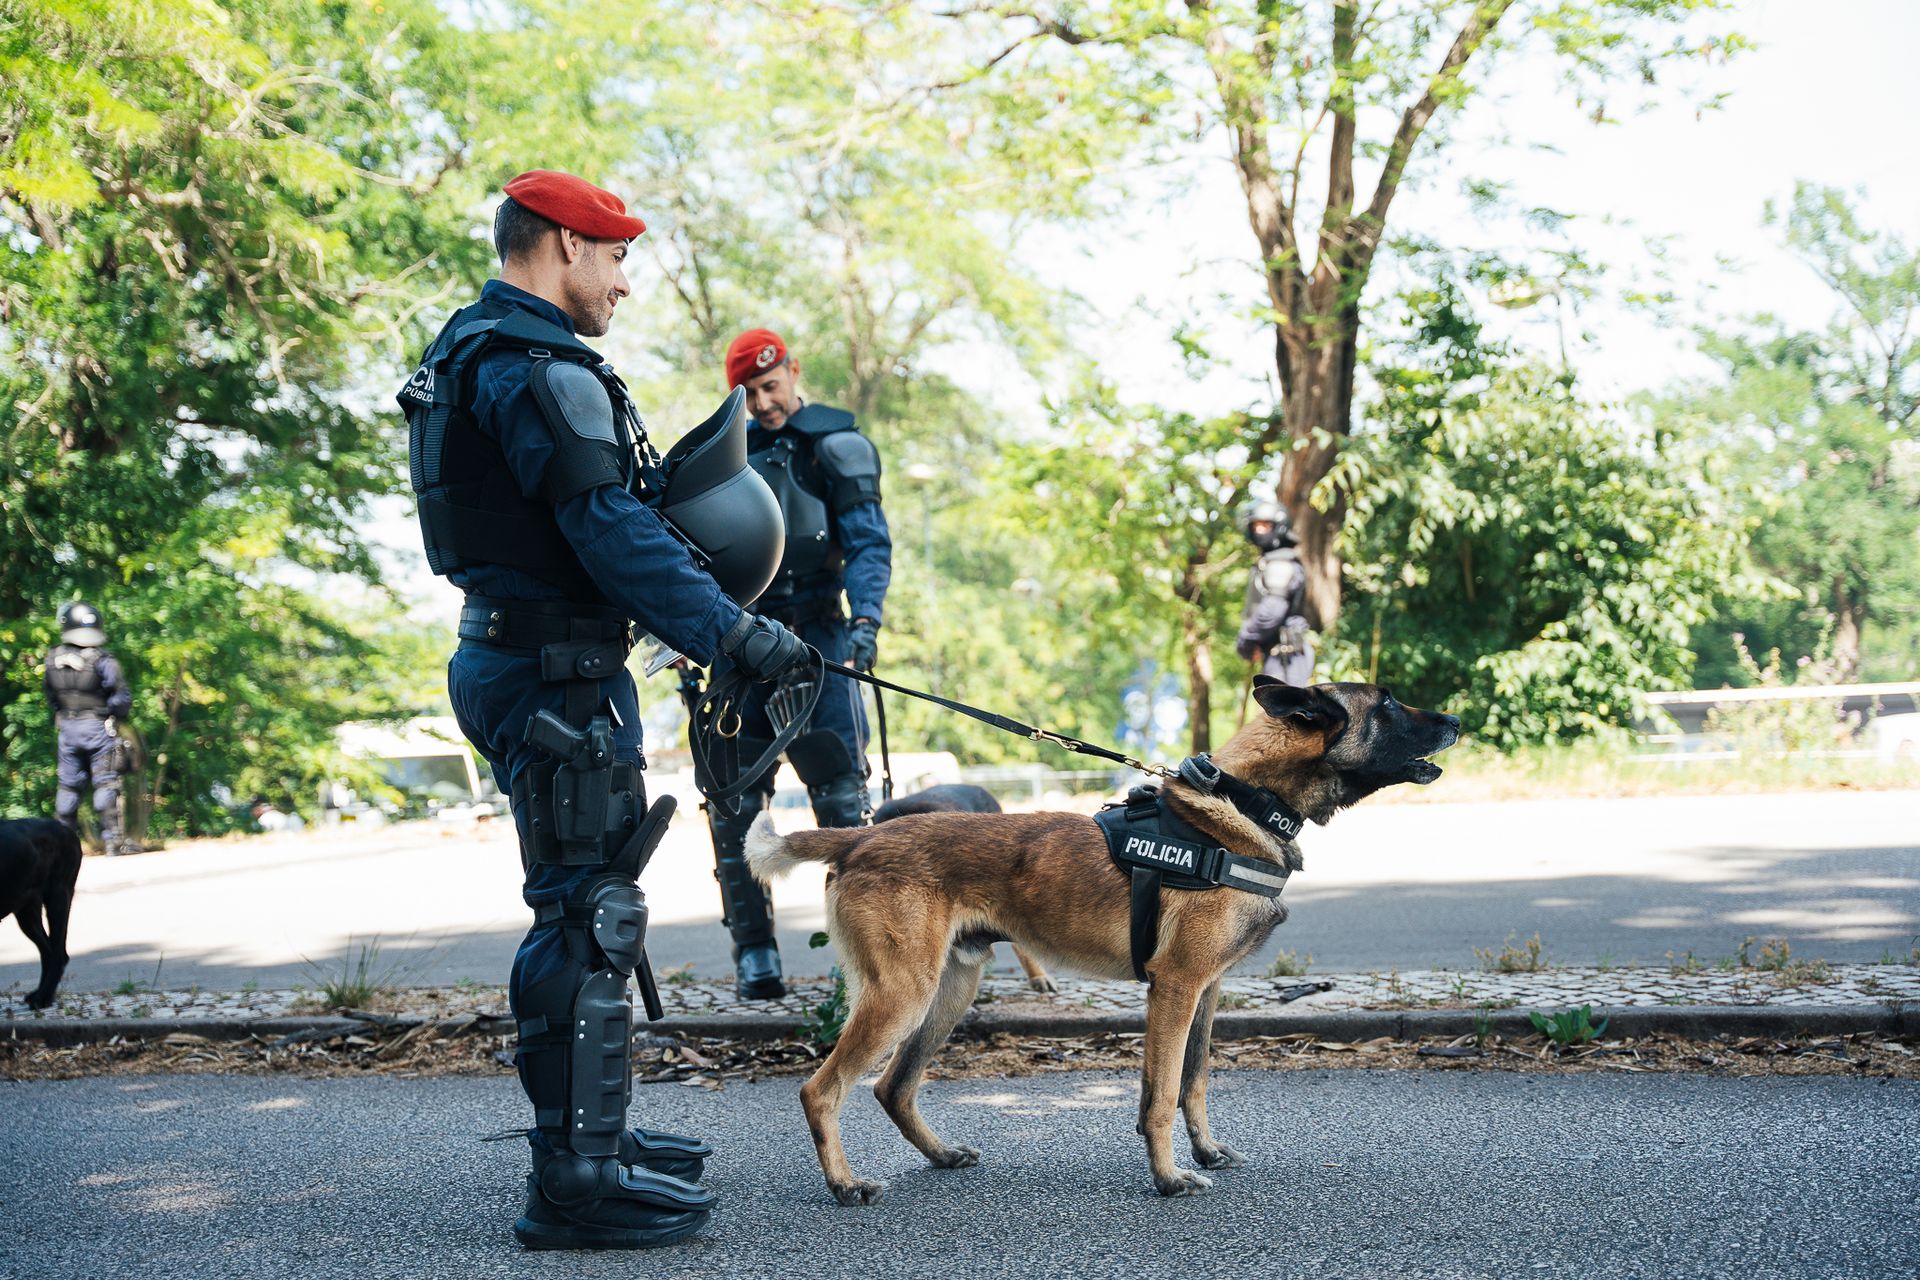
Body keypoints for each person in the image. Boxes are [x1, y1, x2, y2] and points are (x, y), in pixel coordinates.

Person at [397, 169, 807, 1251]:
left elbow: (607, 521)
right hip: (549, 673)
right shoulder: (532, 363)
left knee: (585, 905)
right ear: (562, 246)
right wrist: (737, 631)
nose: (624, 280)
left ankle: (597, 1138)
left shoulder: (475, 348)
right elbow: (607, 530)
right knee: (589, 916)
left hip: (534, 660)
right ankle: (573, 1181)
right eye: (615, 255)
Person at [701, 327, 892, 1001]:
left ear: (793, 372)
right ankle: (754, 953)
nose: (763, 403)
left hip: (819, 644)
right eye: (749, 394)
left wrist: (866, 621)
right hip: (741, 645)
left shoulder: (835, 447)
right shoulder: (724, 457)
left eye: (771, 387)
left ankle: (869, 960)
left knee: (843, 803)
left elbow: (869, 544)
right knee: (733, 804)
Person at [44, 602, 134, 855]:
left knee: (68, 787)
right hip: (97, 727)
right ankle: (113, 843)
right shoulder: (102, 660)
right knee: (106, 783)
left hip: (67, 729)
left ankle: (62, 846)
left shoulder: (52, 659)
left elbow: (51, 697)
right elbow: (121, 698)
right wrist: (113, 714)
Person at [1235, 498, 1314, 687]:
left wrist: (1246, 638)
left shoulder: (1282, 563)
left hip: (1288, 658)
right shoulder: (1269, 562)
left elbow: (1272, 610)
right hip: (1276, 656)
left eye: (1265, 525)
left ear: (1279, 526)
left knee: (1286, 715)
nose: (1259, 530)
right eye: (1255, 526)